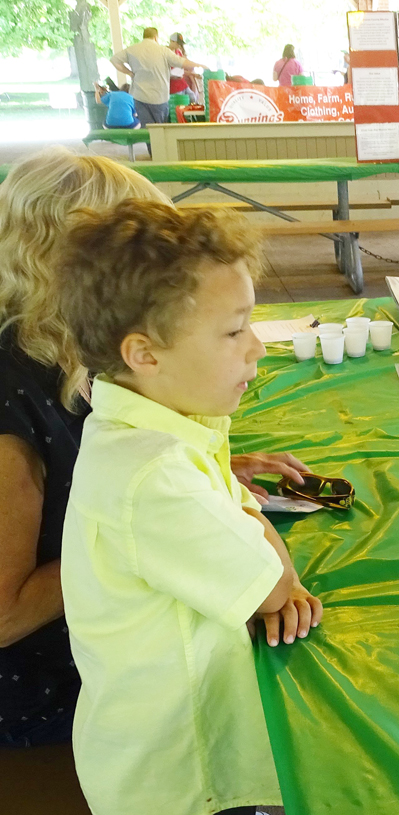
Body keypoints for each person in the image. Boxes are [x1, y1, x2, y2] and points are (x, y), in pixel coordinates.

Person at [0, 148, 311, 749]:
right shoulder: (10, 394)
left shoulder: (77, 356)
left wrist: (211, 475)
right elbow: (7, 614)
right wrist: (140, 532)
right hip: (63, 681)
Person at [56, 200, 323, 815]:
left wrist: (246, 525)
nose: (257, 349)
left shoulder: (163, 430)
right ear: (144, 355)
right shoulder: (155, 472)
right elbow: (276, 588)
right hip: (184, 782)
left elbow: (247, 531)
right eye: (234, 331)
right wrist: (267, 555)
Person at [110, 27, 208, 128]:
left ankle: (150, 144)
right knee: (161, 129)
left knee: (147, 129)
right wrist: (198, 65)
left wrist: (129, 73)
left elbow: (114, 60)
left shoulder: (131, 49)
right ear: (156, 37)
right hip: (159, 96)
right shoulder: (163, 51)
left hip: (139, 96)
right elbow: (182, 62)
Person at [168, 32, 200, 104]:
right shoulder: (166, 52)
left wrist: (192, 74)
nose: (179, 45)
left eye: (180, 44)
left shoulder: (178, 52)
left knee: (193, 98)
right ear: (171, 41)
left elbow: (180, 70)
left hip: (182, 83)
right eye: (177, 43)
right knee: (179, 103)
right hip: (173, 85)